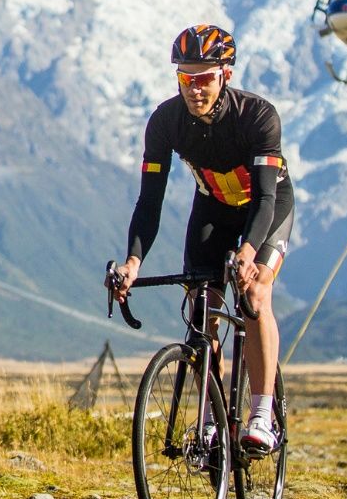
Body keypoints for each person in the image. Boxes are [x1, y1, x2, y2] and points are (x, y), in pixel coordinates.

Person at [106, 25, 294, 455]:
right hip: (213, 207)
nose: (194, 88)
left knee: (255, 294)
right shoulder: (165, 121)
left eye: (204, 78)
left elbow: (265, 198)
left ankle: (262, 414)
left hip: (265, 207)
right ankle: (210, 420)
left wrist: (248, 254)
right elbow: (149, 201)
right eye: (185, 78)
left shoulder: (258, 117)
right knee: (200, 308)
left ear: (225, 75)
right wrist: (133, 262)